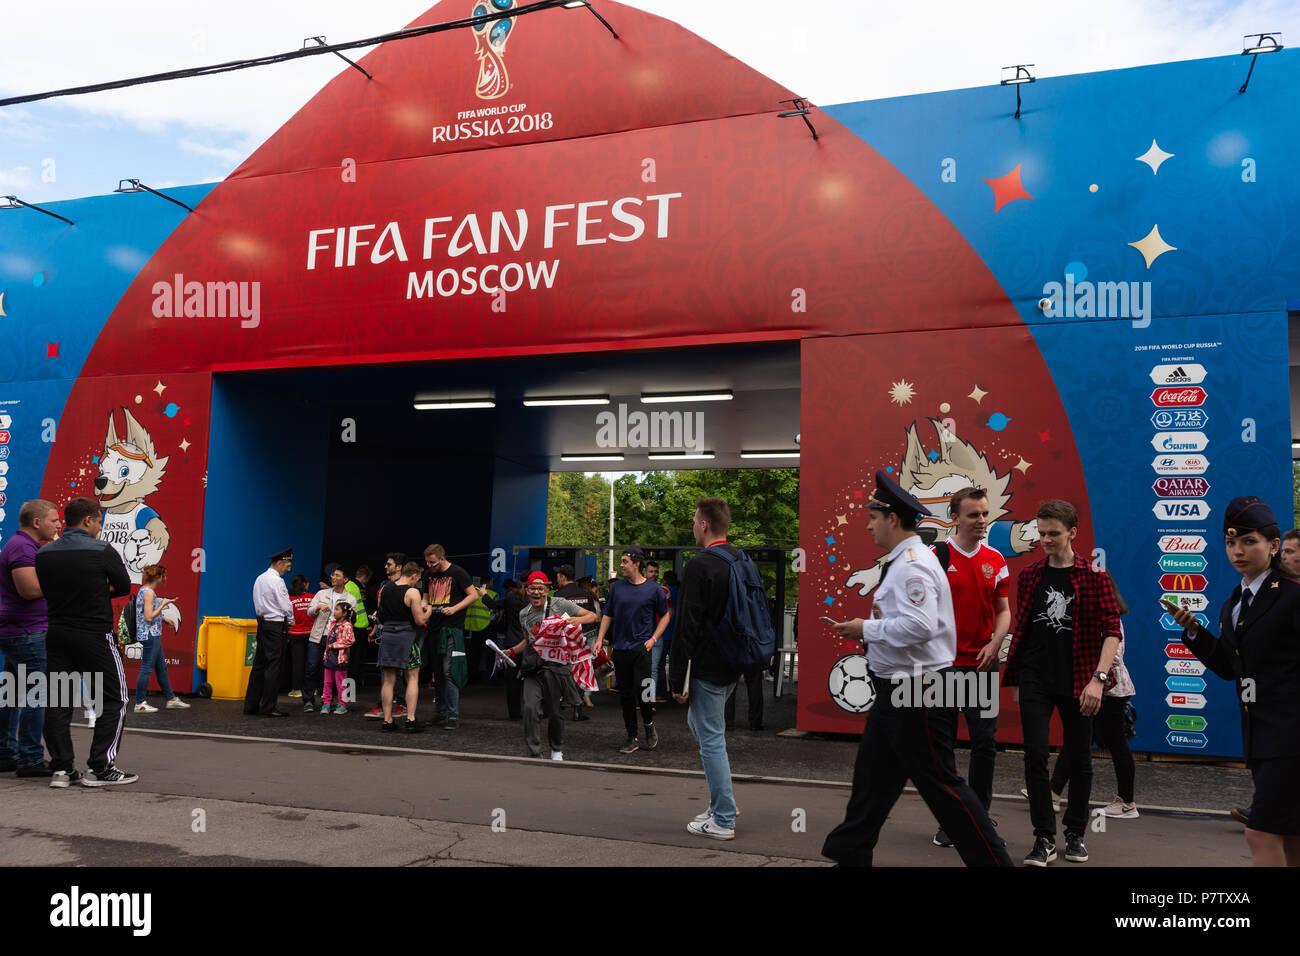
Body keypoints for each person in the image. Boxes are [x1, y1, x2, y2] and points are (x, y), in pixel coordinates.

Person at [821, 472, 1011, 867]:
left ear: (892, 518)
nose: (869, 524)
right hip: (899, 691)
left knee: (944, 786)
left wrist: (866, 628)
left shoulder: (912, 565)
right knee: (871, 788)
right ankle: (849, 857)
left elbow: (922, 626)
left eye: (873, 516)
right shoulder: (908, 560)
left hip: (918, 691)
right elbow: (912, 625)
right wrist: (872, 633)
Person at [1171, 496, 1300, 866]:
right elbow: (1231, 667)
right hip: (1260, 735)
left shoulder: (1292, 596)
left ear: (1274, 546)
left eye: (1249, 541)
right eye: (1231, 542)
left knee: (1260, 831)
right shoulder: (1234, 603)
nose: (1238, 551)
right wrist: (1195, 633)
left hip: (1291, 736)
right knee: (1290, 836)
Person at [1002, 499, 1121, 867]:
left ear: (1072, 533)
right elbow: (1024, 627)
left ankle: (1075, 834)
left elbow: (1111, 631)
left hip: (1081, 678)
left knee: (1080, 759)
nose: (1046, 540)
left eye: (1053, 533)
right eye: (1041, 534)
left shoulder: (1095, 577)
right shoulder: (1032, 574)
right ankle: (1043, 838)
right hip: (1036, 676)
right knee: (1035, 754)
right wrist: (1019, 674)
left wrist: (1098, 681)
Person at [929, 486, 1010, 848]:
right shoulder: (936, 555)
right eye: (974, 514)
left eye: (984, 513)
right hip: (944, 668)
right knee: (942, 747)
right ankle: (951, 819)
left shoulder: (996, 559)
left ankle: (979, 817)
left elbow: (1003, 610)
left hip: (981, 667)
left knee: (984, 744)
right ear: (955, 517)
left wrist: (996, 642)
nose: (982, 520)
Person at [35, 497, 135, 787]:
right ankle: (101, 768)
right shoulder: (102, 550)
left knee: (57, 702)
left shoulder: (45, 553)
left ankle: (62, 770)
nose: (100, 526)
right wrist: (98, 588)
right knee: (115, 699)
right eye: (99, 521)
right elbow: (124, 587)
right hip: (94, 634)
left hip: (56, 633)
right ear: (89, 520)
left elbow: (47, 588)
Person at [670, 497, 744, 840]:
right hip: (733, 663)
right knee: (704, 729)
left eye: (694, 520)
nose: (692, 526)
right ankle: (721, 799)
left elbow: (686, 626)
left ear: (704, 525)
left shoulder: (701, 565)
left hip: (707, 667)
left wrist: (676, 678)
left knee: (711, 740)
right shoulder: (740, 559)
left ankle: (724, 818)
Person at [1051, 574, 1137, 819]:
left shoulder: (1110, 617)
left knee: (1113, 742)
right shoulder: (1096, 614)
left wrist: (1095, 676)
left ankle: (1127, 802)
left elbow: (1115, 656)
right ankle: (1054, 792)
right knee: (1080, 737)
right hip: (1101, 687)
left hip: (1109, 689)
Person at [501, 571, 597, 759]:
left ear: (547, 590)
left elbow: (593, 616)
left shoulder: (559, 604)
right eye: (532, 588)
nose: (536, 592)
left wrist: (574, 620)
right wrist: (511, 651)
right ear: (527, 590)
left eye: (540, 588)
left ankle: (556, 748)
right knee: (529, 708)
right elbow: (528, 641)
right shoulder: (524, 613)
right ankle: (534, 751)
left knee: (554, 711)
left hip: (555, 668)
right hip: (532, 668)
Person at [0, 499, 61, 778]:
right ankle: (30, 758)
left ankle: (6, 754)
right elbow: (29, 590)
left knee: (11, 693)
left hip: (20, 630)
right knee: (37, 694)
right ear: (37, 523)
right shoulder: (22, 548)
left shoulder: (27, 546)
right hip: (26, 632)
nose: (59, 524)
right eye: (53, 520)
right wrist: (65, 580)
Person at [595, 546, 669, 754]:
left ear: (637, 564)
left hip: (641, 648)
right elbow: (607, 614)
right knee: (626, 694)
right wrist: (600, 639)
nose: (621, 565)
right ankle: (631, 736)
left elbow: (666, 615)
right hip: (620, 648)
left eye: (624, 561)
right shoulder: (617, 588)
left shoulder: (653, 590)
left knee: (643, 689)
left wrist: (654, 638)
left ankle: (648, 723)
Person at [423, 544, 476, 729]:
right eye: (428, 562)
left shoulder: (458, 572)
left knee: (449, 671)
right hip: (434, 628)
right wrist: (424, 606)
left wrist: (454, 608)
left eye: (433, 562)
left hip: (452, 629)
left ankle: (453, 714)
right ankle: (441, 712)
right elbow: (425, 595)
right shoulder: (428, 575)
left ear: (442, 558)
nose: (430, 565)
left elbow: (473, 595)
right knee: (437, 673)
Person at [377, 561, 433, 731]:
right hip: (406, 638)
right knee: (412, 678)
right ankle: (410, 719)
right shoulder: (412, 592)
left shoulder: (385, 589)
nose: (417, 582)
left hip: (387, 637)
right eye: (417, 579)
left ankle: (387, 721)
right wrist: (428, 609)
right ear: (414, 575)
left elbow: (380, 615)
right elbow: (420, 620)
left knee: (388, 680)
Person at [132, 564, 189, 713]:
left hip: (152, 634)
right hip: (150, 634)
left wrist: (164, 619)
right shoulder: (149, 593)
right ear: (158, 577)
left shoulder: (144, 590)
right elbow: (149, 616)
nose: (165, 578)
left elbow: (148, 612)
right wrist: (163, 604)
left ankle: (171, 699)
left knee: (161, 668)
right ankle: (139, 702)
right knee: (146, 668)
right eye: (164, 576)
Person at [246, 547, 294, 718]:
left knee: (259, 665)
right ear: (280, 563)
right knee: (274, 667)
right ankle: (268, 707)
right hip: (275, 626)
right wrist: (291, 620)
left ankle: (251, 705)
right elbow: (285, 604)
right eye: (287, 565)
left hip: (262, 623)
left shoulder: (260, 579)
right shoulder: (277, 581)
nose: (288, 569)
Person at [364, 553, 409, 719]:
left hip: (401, 633)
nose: (385, 567)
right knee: (387, 671)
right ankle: (386, 705)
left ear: (399, 567)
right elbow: (381, 611)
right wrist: (375, 629)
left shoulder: (405, 585)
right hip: (385, 632)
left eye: (389, 564)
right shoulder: (384, 585)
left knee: (398, 672)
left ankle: (399, 704)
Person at [554, 564, 601, 719]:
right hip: (585, 638)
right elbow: (594, 616)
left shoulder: (558, 594)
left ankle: (560, 702)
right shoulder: (585, 594)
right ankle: (577, 709)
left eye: (558, 576)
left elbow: (554, 620)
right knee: (581, 672)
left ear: (562, 577)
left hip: (566, 639)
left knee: (563, 671)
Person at [305, 565, 355, 713]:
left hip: (338, 641)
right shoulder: (321, 594)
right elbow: (309, 612)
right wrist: (317, 607)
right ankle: (308, 700)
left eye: (337, 575)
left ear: (345, 580)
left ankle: (337, 701)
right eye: (332, 575)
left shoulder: (351, 599)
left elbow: (353, 620)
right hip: (319, 636)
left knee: (338, 671)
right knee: (312, 667)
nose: (333, 577)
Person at [481, 579, 528, 719]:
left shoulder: (511, 598)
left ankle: (514, 713)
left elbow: (492, 604)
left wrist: (484, 594)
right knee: (534, 679)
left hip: (513, 642)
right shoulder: (536, 601)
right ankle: (537, 710)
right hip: (531, 643)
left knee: (513, 681)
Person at [321, 598, 357, 714]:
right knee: (327, 682)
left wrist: (334, 645)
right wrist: (326, 652)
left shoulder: (347, 625)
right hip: (330, 658)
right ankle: (326, 703)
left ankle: (342, 704)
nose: (334, 611)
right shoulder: (332, 624)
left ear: (344, 613)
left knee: (341, 683)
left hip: (340, 659)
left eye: (337, 609)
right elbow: (328, 641)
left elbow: (350, 640)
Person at [286, 575, 314, 700]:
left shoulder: (289, 600)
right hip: (311, 634)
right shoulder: (312, 598)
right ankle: (312, 689)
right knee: (312, 662)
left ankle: (297, 689)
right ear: (305, 584)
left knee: (297, 663)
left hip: (295, 634)